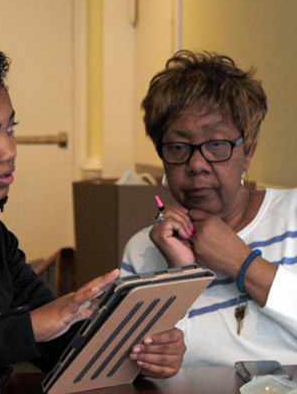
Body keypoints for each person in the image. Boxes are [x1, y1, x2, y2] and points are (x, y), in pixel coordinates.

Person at [0, 25, 185, 382]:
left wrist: (138, 351)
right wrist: (25, 329)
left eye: (10, 129)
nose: (10, 151)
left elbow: (56, 341)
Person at [121, 50, 297, 367]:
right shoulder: (143, 250)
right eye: (178, 147)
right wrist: (179, 272)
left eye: (216, 144)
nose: (197, 164)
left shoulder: (293, 215)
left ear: (248, 152)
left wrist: (242, 262)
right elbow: (131, 366)